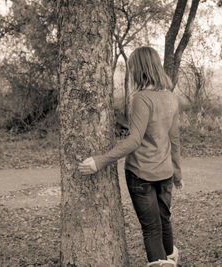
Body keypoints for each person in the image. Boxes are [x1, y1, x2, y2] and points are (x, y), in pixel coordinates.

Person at [78, 46, 183, 267]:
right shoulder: (171, 97)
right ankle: (170, 261)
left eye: (132, 68)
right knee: (164, 221)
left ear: (139, 69)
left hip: (141, 175)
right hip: (165, 174)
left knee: (152, 228)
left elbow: (134, 140)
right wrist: (177, 173)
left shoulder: (141, 99)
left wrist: (100, 160)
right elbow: (174, 140)